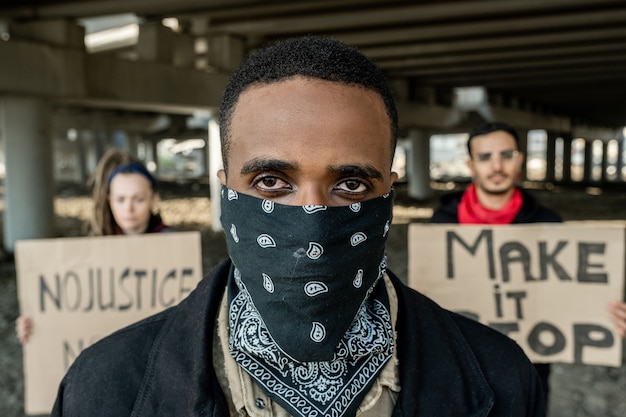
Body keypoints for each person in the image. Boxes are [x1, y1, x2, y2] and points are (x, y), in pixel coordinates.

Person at [50, 37, 545, 417]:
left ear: (389, 192)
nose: (312, 221)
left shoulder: (499, 376)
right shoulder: (102, 389)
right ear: (226, 190)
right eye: (271, 182)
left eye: (350, 185)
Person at [431, 120, 626, 401]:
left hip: (528, 370)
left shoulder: (548, 223)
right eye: (485, 157)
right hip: (461, 364)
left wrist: (602, 311)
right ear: (471, 165)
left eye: (506, 155)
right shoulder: (441, 226)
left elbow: (568, 293)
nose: (497, 166)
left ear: (519, 159)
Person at [15, 149, 170, 344]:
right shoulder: (91, 255)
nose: (128, 208)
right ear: (109, 200)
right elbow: (74, 312)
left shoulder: (176, 250)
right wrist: (37, 326)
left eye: (138, 199)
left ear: (153, 198)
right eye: (120, 199)